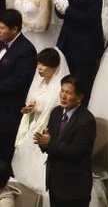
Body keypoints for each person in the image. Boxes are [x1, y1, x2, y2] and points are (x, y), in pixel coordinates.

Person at [10, 47, 67, 192]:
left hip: (47, 130)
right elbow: (35, 103)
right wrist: (30, 109)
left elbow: (55, 110)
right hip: (33, 123)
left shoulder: (59, 87)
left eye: (44, 65)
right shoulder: (39, 82)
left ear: (54, 66)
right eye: (38, 64)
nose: (39, 68)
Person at [36, 75, 95, 207]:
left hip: (74, 186)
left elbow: (75, 152)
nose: (63, 96)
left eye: (68, 93)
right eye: (62, 91)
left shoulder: (86, 121)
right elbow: (49, 143)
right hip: (54, 180)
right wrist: (42, 142)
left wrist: (49, 143)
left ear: (79, 97)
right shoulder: (56, 112)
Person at [52, 0, 102, 90]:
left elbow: (91, 18)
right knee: (65, 79)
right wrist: (60, 9)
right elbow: (59, 12)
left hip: (86, 42)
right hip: (67, 39)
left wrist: (68, 10)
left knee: (83, 83)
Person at [0, 9, 36, 164]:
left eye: (2, 28)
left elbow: (20, 82)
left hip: (9, 108)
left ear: (14, 29)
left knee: (4, 148)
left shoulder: (26, 50)